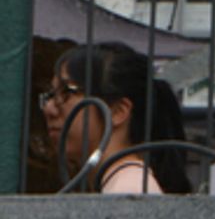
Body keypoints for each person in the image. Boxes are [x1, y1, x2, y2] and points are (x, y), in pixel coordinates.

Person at [41, 41, 193, 194]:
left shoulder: (129, 187)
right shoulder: (119, 182)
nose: (49, 109)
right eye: (51, 95)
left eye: (67, 92)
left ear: (118, 111)